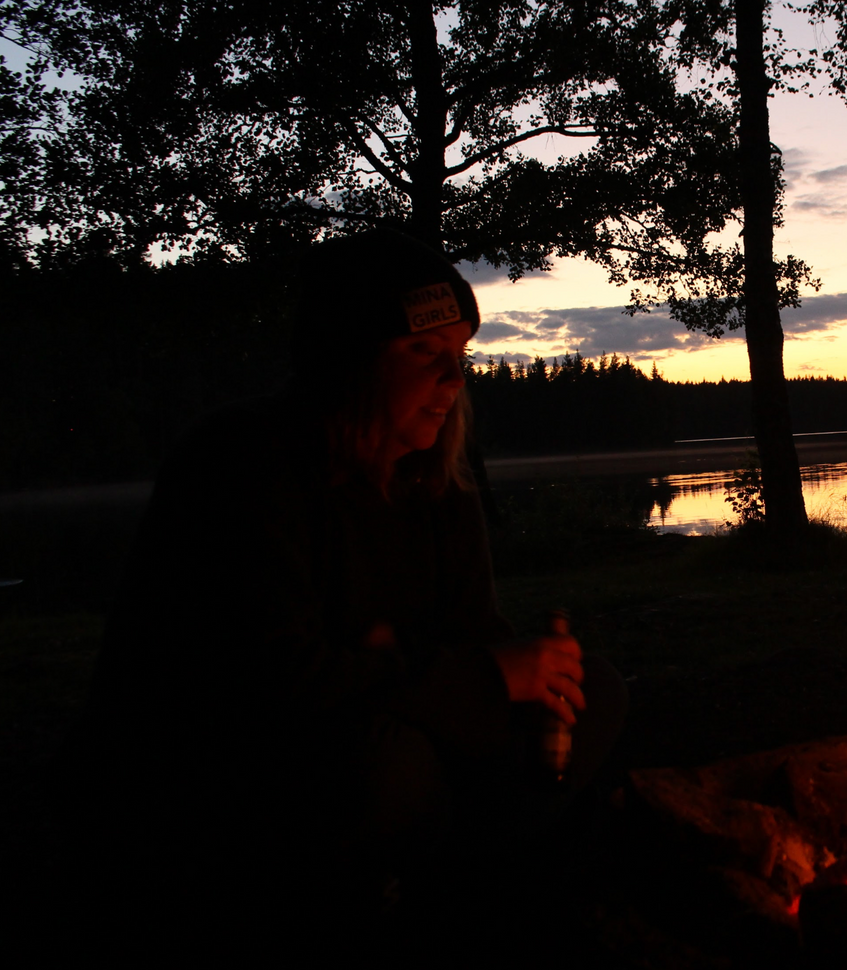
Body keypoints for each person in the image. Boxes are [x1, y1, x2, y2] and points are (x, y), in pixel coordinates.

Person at [62, 230, 625, 949]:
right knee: (386, 761)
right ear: (349, 360)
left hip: (394, 711)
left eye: (460, 355)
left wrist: (512, 671)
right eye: (424, 353)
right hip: (219, 762)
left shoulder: (433, 479)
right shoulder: (242, 464)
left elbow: (471, 633)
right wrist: (467, 677)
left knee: (592, 692)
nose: (452, 379)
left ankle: (456, 875)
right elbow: (267, 680)